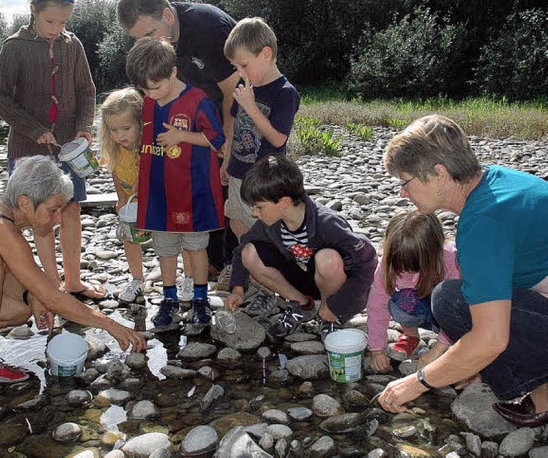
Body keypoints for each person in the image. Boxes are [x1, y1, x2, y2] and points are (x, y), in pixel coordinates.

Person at [0, 156, 147, 383]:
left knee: (20, 309)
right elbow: (52, 297)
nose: (58, 220)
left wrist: (32, 294)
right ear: (24, 202)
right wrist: (113, 326)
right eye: (53, 210)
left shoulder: (2, 213)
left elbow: (20, 274)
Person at [379, 114, 548, 428]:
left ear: (439, 174)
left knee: (450, 302)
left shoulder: (482, 224)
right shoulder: (498, 181)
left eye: (405, 181)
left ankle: (543, 389)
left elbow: (492, 338)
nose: (402, 192)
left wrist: (416, 383)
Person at [0, 0, 105, 300]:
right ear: (33, 11)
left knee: (70, 210)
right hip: (28, 148)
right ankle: (52, 285)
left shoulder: (74, 45)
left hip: (70, 148)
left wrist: (84, 127)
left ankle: (74, 281)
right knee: (39, 216)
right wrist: (33, 128)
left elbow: (87, 91)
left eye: (64, 22)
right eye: (50, 21)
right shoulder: (14, 46)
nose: (56, 29)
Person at [117, 0, 240, 284]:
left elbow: (234, 93)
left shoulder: (207, 26)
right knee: (201, 180)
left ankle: (239, 266)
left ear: (168, 16)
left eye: (149, 34)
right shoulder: (155, 46)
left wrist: (227, 144)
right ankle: (210, 260)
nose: (145, 43)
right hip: (194, 116)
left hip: (238, 105)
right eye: (138, 39)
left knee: (233, 182)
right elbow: (154, 99)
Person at [125, 38, 225, 327]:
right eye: (145, 89)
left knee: (196, 247)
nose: (151, 94)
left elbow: (216, 139)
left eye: (156, 87)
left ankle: (200, 299)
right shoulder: (147, 103)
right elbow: (142, 141)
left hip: (193, 192)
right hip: (158, 193)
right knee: (165, 248)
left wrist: (182, 136)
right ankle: (169, 298)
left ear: (172, 72)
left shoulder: (199, 100)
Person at [224, 154, 377, 340]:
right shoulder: (270, 222)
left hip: (337, 287)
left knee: (327, 259)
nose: (255, 213)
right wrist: (238, 290)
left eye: (259, 207)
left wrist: (337, 304)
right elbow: (240, 252)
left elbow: (368, 261)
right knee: (249, 252)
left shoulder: (327, 223)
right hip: (305, 278)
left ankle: (330, 317)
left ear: (284, 203)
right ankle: (302, 306)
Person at [97, 88, 195, 303]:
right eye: (113, 130)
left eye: (126, 128)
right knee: (129, 238)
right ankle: (137, 279)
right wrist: (121, 198)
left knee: (177, 237)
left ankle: (188, 277)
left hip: (161, 199)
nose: (120, 135)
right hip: (133, 203)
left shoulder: (151, 145)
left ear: (141, 124)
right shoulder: (115, 148)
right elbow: (115, 171)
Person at [222, 17, 300, 243]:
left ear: (266, 54)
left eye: (243, 65)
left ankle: (263, 270)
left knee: (263, 227)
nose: (239, 73)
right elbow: (235, 126)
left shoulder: (285, 93)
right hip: (237, 171)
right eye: (235, 67)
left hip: (264, 178)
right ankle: (245, 266)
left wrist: (251, 106)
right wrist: (226, 161)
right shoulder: (244, 86)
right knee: (236, 220)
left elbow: (278, 139)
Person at [367, 210, 460, 373]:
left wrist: (439, 347)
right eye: (402, 265)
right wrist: (377, 350)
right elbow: (377, 307)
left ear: (434, 252)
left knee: (450, 297)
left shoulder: (452, 260)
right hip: (424, 308)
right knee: (400, 302)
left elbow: (468, 308)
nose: (407, 270)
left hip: (452, 313)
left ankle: (455, 345)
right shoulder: (387, 264)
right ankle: (411, 336)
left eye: (414, 265)